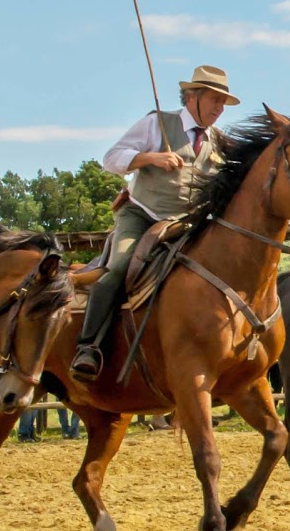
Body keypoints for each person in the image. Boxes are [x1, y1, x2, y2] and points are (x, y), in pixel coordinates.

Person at [70, 65, 240, 382]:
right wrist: (150, 158)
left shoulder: (218, 141)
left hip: (187, 225)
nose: (219, 109)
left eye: (222, 103)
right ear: (192, 96)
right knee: (119, 268)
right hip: (142, 216)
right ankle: (88, 347)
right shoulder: (157, 123)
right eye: (215, 100)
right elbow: (111, 158)